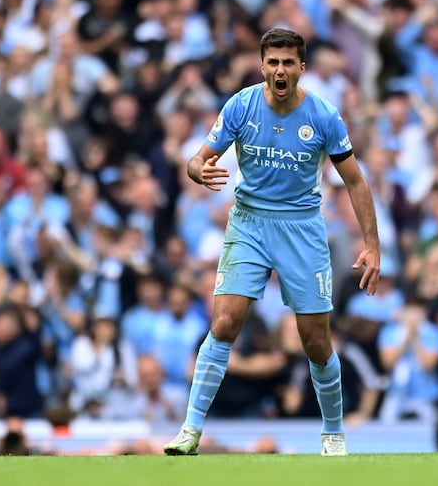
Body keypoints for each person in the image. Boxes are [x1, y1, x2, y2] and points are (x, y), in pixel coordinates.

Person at [163, 28, 380, 457]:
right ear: (262, 65)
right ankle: (190, 430)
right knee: (224, 322)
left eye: (288, 62)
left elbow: (354, 180)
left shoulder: (323, 116)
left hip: (301, 228)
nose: (280, 70)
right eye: (272, 62)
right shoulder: (241, 105)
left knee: (315, 341)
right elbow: (197, 159)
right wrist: (197, 171)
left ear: (302, 68)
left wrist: (372, 244)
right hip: (249, 223)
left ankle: (333, 432)